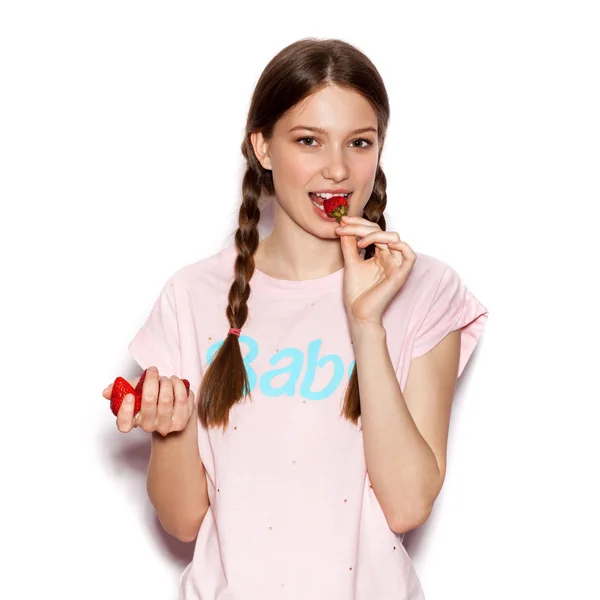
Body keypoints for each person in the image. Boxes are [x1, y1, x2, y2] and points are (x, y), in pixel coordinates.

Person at [102, 37, 489, 600]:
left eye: (359, 142)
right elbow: (183, 521)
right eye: (309, 140)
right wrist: (169, 426)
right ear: (262, 147)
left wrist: (366, 323)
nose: (337, 169)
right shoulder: (193, 295)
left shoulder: (425, 290)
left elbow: (407, 505)